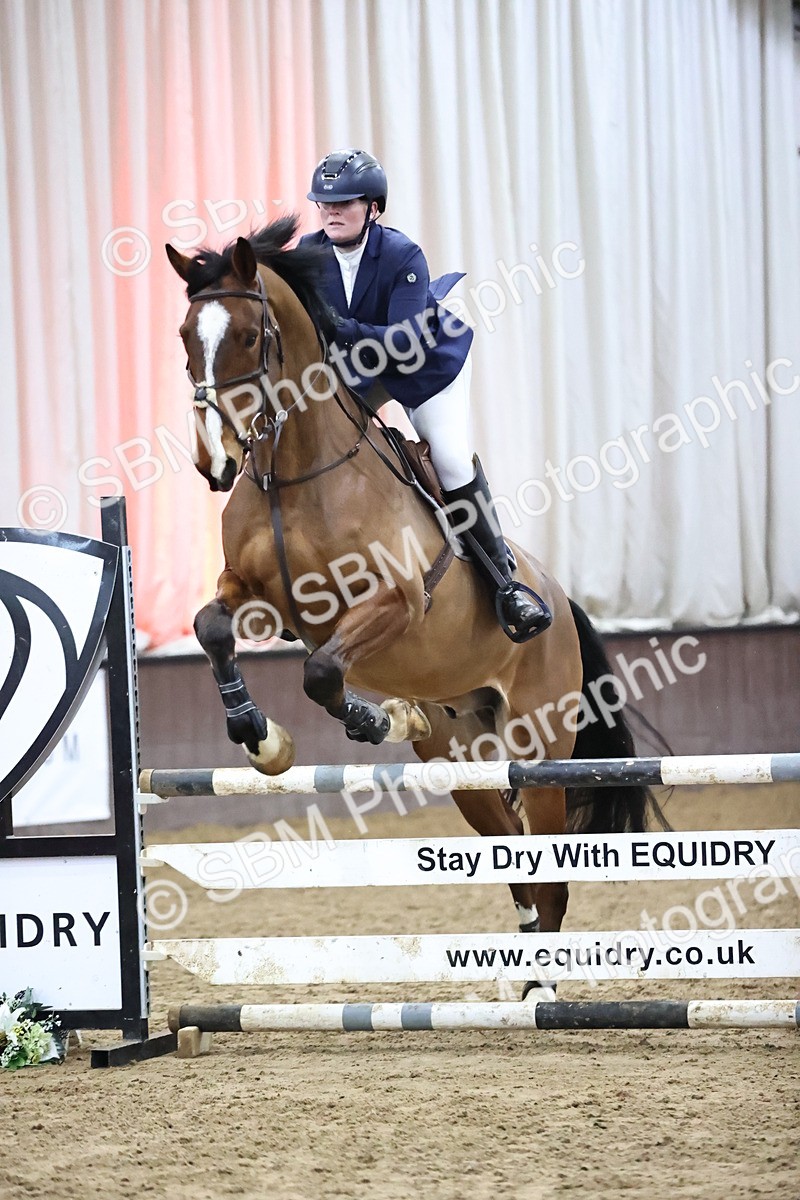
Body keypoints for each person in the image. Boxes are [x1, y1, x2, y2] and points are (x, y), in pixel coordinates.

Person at [302, 148, 550, 641]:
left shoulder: (400, 254)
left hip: (424, 368)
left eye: (345, 202)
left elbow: (404, 341)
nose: (331, 211)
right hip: (360, 371)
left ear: (373, 206)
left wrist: (342, 328)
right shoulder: (307, 255)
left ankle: (506, 583)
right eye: (324, 202)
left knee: (452, 459)